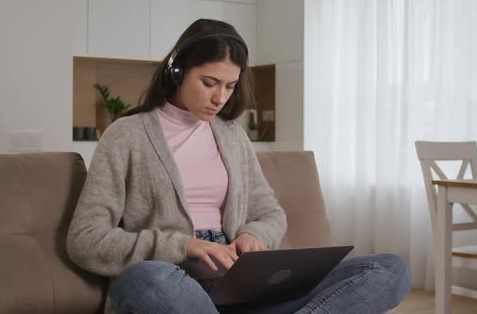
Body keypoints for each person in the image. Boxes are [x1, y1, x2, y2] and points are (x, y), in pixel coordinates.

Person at [67, 18, 411, 314]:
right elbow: (86, 239)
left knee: (389, 269)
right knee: (144, 278)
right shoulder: (126, 135)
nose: (220, 99)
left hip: (241, 285)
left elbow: (270, 213)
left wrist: (253, 235)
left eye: (230, 86)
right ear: (177, 71)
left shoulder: (232, 135)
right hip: (172, 281)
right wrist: (182, 245)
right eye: (209, 83)